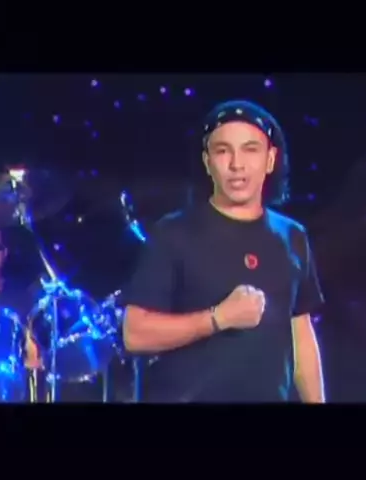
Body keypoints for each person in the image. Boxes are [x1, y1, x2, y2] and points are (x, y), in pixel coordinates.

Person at [123, 100, 326, 403]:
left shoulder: (292, 235)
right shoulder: (173, 233)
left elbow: (300, 333)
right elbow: (134, 334)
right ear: (207, 162)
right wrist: (218, 318)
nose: (236, 164)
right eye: (222, 151)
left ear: (270, 159)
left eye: (250, 150)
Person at [0, 224, 42, 402]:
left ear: (4, 253)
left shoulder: (24, 298)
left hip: (10, 391)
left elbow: (35, 357)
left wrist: (34, 355)